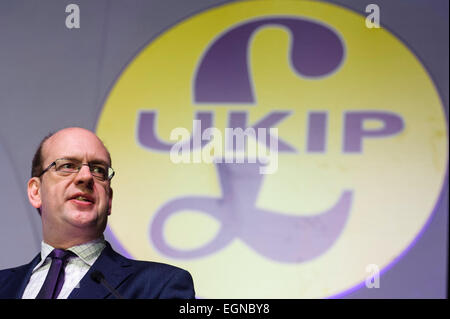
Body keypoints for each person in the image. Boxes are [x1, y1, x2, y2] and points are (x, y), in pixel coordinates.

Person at [0, 127, 195, 299]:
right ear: (36, 191)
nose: (86, 177)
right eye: (67, 166)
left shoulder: (160, 286)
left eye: (98, 170)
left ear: (109, 199)